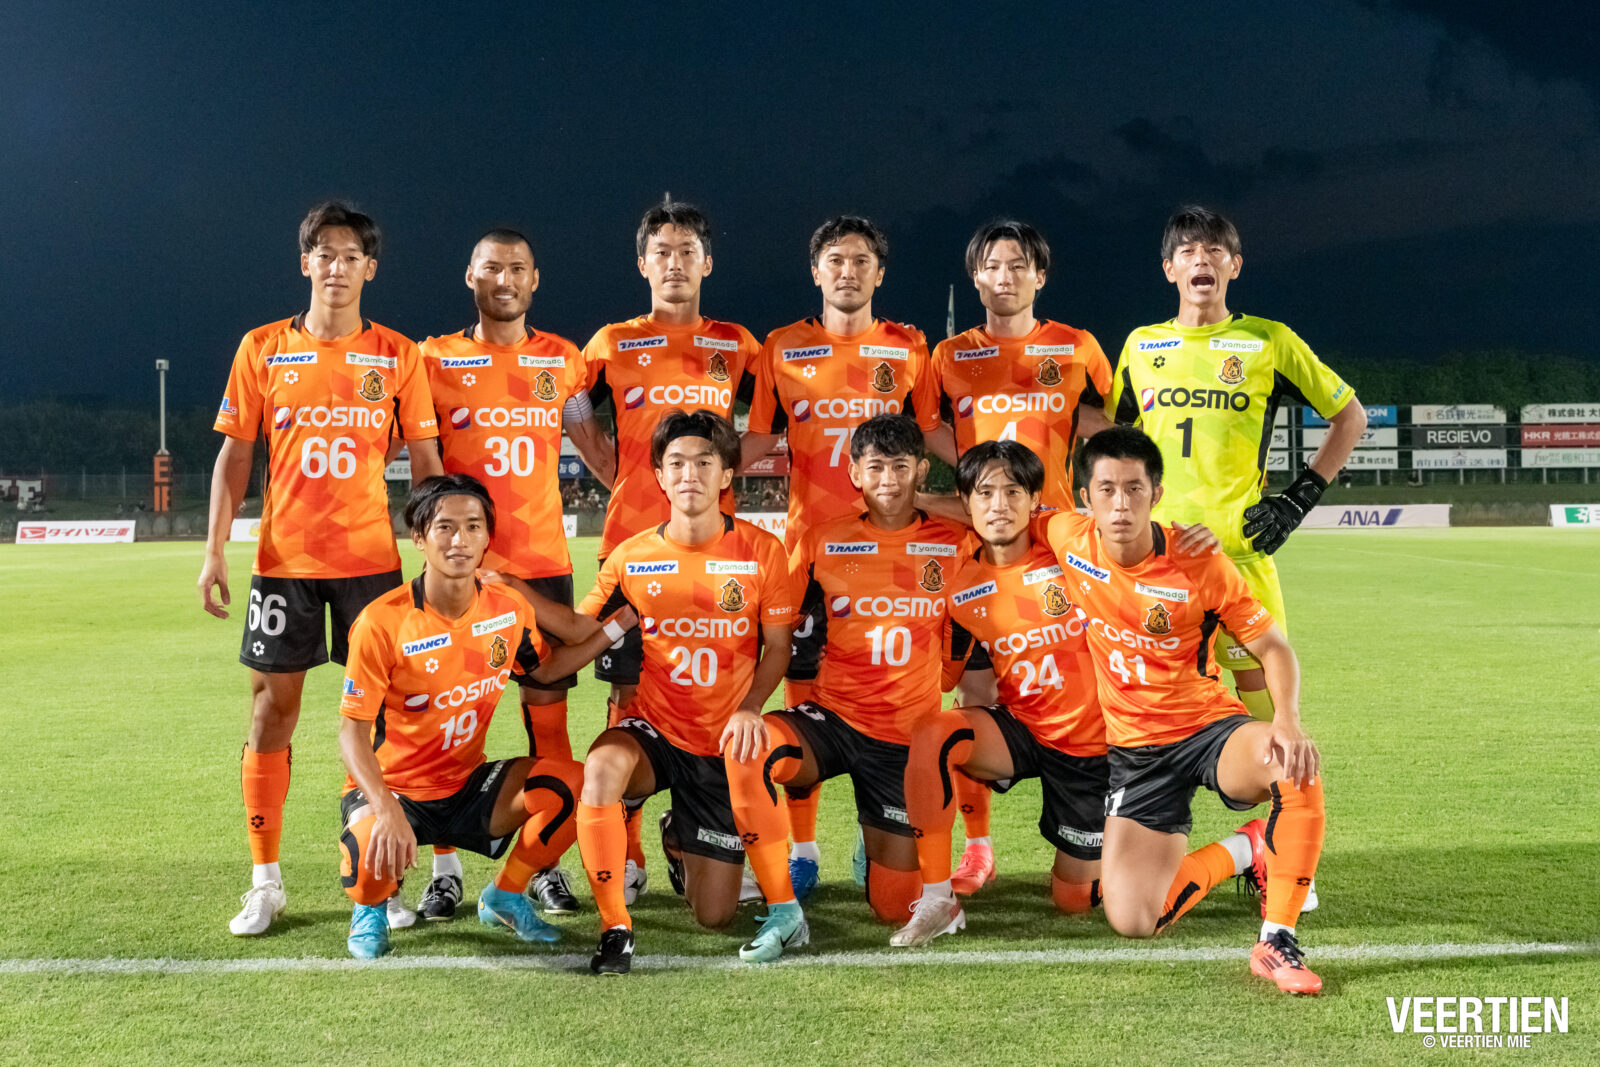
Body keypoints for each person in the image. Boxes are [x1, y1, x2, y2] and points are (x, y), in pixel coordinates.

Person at [198, 201, 444, 937]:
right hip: (285, 563)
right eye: (325, 255)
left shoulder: (398, 354)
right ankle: (265, 881)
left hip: (371, 567)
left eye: (351, 256)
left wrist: (437, 547)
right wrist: (213, 549)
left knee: (381, 721)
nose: (337, 267)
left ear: (371, 268)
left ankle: (376, 878)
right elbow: (235, 454)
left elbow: (427, 462)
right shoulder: (262, 347)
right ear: (305, 262)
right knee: (271, 714)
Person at [1108, 206, 1362, 910]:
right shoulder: (1140, 346)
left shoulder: (1268, 341)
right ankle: (1133, 832)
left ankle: (1283, 854)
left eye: (1215, 250)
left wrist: (1299, 498)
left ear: (1234, 265)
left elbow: (1349, 415)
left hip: (1239, 561)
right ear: (1169, 268)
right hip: (1155, 568)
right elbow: (1112, 436)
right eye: (1188, 250)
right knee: (1145, 704)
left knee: (1273, 718)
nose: (1202, 259)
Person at [1043, 427, 1326, 995]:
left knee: (1291, 762)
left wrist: (1288, 720)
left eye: (1134, 489)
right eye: (1106, 490)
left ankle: (1278, 939)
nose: (1120, 504)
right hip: (1135, 753)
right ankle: (1248, 848)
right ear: (1085, 496)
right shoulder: (1064, 535)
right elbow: (996, 512)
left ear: (1156, 493)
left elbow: (1273, 647)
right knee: (1134, 920)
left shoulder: (1200, 562)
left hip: (1207, 730)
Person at [336, 474, 634, 958]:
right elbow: (351, 734)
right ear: (419, 538)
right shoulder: (382, 622)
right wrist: (386, 808)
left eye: (473, 527)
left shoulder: (507, 609)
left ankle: (504, 895)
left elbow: (545, 670)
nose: (460, 539)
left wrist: (616, 628)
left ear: (487, 538)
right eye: (445, 527)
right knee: (369, 850)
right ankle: (369, 907)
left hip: (468, 786)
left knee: (573, 786)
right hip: (395, 790)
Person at [738, 216, 950, 894]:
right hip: (810, 556)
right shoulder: (782, 346)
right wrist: (685, 474)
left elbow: (929, 434)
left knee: (891, 694)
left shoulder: (909, 347)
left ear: (879, 273)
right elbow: (759, 440)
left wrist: (1000, 483)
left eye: (861, 260)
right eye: (835, 259)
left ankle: (875, 828)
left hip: (892, 551)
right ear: (815, 270)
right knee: (805, 702)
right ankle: (802, 850)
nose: (848, 271)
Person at [416, 228, 612, 919]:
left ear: (535, 279)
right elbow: (419, 456)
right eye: (492, 267)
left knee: (548, 725)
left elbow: (591, 444)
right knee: (444, 726)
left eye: (518, 268)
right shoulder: (432, 359)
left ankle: (543, 867)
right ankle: (443, 869)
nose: (505, 279)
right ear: (470, 276)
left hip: (543, 569)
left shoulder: (563, 360)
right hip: (460, 569)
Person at [571, 410, 803, 975]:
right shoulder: (631, 555)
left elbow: (778, 648)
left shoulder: (761, 550)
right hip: (654, 730)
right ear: (659, 475)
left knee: (714, 915)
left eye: (704, 462)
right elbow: (580, 629)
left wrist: (750, 708)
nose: (689, 474)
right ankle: (615, 927)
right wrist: (512, 600)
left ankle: (678, 837)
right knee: (600, 768)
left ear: (727, 475)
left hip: (722, 743)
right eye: (676, 463)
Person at [924, 219, 1115, 894]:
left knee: (1081, 692)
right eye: (992, 266)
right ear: (976, 277)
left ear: (1040, 275)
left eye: (1018, 265)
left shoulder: (1077, 346)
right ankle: (977, 847)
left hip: (1058, 553)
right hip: (980, 552)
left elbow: (1106, 423)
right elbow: (928, 425)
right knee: (974, 693)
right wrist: (977, 478)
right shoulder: (949, 355)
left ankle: (1107, 829)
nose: (1004, 277)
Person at [581, 201, 761, 903]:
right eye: (662, 251)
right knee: (628, 698)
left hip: (719, 553)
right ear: (642, 264)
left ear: (707, 262)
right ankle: (625, 853)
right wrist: (612, 468)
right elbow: (569, 408)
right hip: (632, 551)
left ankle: (697, 832)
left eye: (688, 251)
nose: (675, 263)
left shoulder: (737, 344)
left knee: (719, 693)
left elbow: (775, 417)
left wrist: (733, 469)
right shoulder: (612, 342)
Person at [724, 414, 966, 926]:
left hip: (902, 739)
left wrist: (946, 683)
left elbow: (965, 632)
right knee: (750, 748)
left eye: (900, 467)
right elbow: (776, 628)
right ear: (854, 473)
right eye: (875, 467)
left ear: (922, 471)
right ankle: (781, 902)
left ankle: (875, 835)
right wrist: (747, 704)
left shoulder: (955, 544)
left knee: (893, 907)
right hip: (832, 721)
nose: (888, 480)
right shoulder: (822, 541)